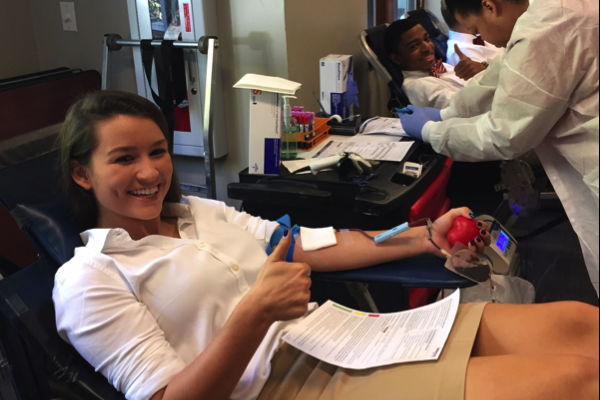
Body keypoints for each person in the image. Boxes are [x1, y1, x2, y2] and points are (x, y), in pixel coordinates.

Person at [53, 91, 599, 400]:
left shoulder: (199, 212)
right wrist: (254, 314)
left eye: (156, 151)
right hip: (288, 386)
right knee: (572, 382)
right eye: (124, 159)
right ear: (82, 174)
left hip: (342, 336)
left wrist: (422, 237)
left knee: (580, 324)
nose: (150, 172)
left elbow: (313, 245)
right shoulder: (88, 278)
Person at [399, 0, 600, 297]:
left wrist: (432, 130)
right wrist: (448, 114)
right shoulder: (551, 13)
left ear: (490, 6)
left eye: (477, 30)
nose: (483, 39)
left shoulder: (544, 29)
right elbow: (502, 77)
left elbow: (506, 135)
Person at [385, 19, 484, 109]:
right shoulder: (418, 86)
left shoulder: (441, 66)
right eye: (414, 46)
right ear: (397, 58)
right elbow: (469, 107)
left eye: (426, 39)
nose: (427, 48)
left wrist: (482, 70)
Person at [441, 0, 504, 78]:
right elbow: (488, 83)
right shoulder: (463, 51)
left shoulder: (479, 35)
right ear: (460, 17)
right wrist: (486, 68)